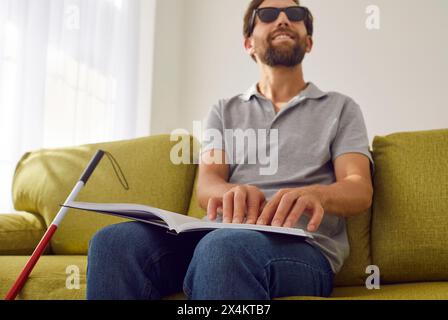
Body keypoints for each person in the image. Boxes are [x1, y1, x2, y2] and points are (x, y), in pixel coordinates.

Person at [86, 0, 374, 300]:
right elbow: (208, 185)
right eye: (268, 14)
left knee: (224, 249)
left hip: (301, 249)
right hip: (218, 236)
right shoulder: (224, 110)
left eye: (296, 14)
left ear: (309, 42)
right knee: (113, 241)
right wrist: (230, 193)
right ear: (249, 43)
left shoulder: (341, 108)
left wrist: (317, 195)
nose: (284, 19)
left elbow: (359, 188)